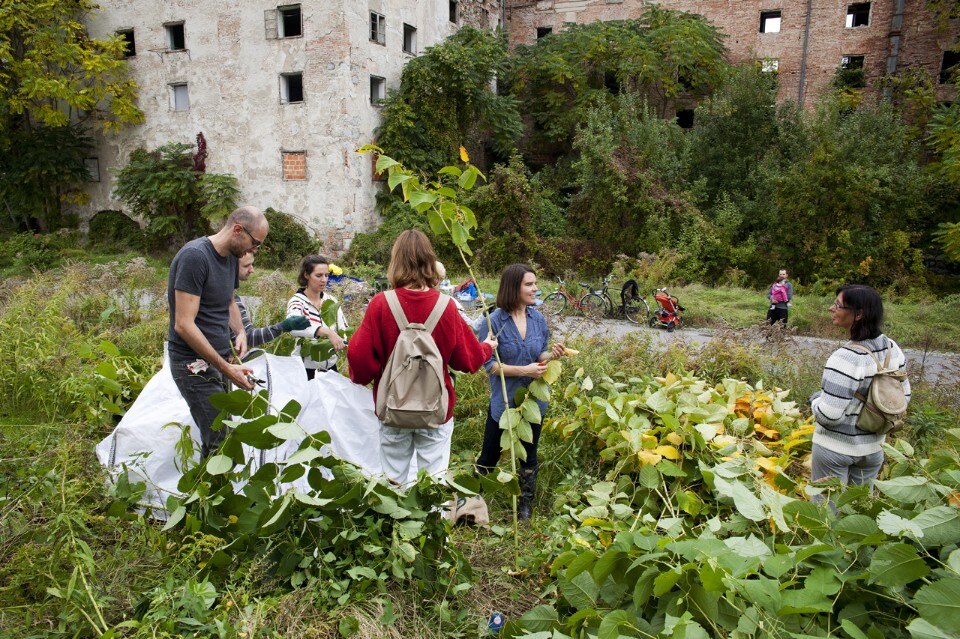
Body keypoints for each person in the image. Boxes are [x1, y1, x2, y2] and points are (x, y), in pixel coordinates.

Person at [347, 230, 497, 485]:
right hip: (435, 411)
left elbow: (359, 361)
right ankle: (431, 523)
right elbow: (467, 360)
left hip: (393, 409)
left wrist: (370, 375)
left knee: (392, 481)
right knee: (434, 482)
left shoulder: (380, 304)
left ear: (396, 261)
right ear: (430, 261)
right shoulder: (446, 306)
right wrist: (486, 347)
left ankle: (395, 522)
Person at [168, 205, 268, 457]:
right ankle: (207, 495)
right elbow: (183, 324)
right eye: (254, 243)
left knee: (222, 433)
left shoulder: (231, 259)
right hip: (193, 365)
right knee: (219, 443)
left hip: (221, 359)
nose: (253, 251)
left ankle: (215, 492)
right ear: (237, 230)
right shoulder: (195, 257)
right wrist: (226, 369)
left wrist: (241, 332)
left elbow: (229, 301)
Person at [475, 264, 566, 520]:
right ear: (513, 287)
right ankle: (470, 500)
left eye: (535, 283)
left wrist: (552, 355)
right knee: (490, 455)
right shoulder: (493, 322)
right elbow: (490, 366)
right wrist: (523, 371)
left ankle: (525, 507)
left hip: (532, 403)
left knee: (529, 454)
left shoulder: (538, 319)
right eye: (529, 284)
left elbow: (540, 355)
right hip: (503, 403)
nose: (535, 288)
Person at [810, 284, 911, 491]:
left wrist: (815, 401)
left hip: (834, 450)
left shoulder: (846, 357)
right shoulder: (891, 348)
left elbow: (829, 415)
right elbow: (904, 397)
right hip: (873, 449)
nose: (832, 308)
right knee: (857, 512)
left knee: (825, 514)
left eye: (838, 305)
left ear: (858, 315)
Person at [286, 254, 348, 380]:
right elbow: (293, 324)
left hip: (330, 368)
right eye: (319, 276)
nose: (324, 280)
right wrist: (327, 332)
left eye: (326, 275)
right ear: (306, 275)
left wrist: (345, 343)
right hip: (305, 369)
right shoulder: (298, 301)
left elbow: (343, 328)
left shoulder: (331, 301)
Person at [234, 252, 310, 348]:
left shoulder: (232, 296)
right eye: (246, 266)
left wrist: (283, 326)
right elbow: (249, 337)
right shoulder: (225, 298)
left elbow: (248, 336)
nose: (252, 270)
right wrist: (283, 326)